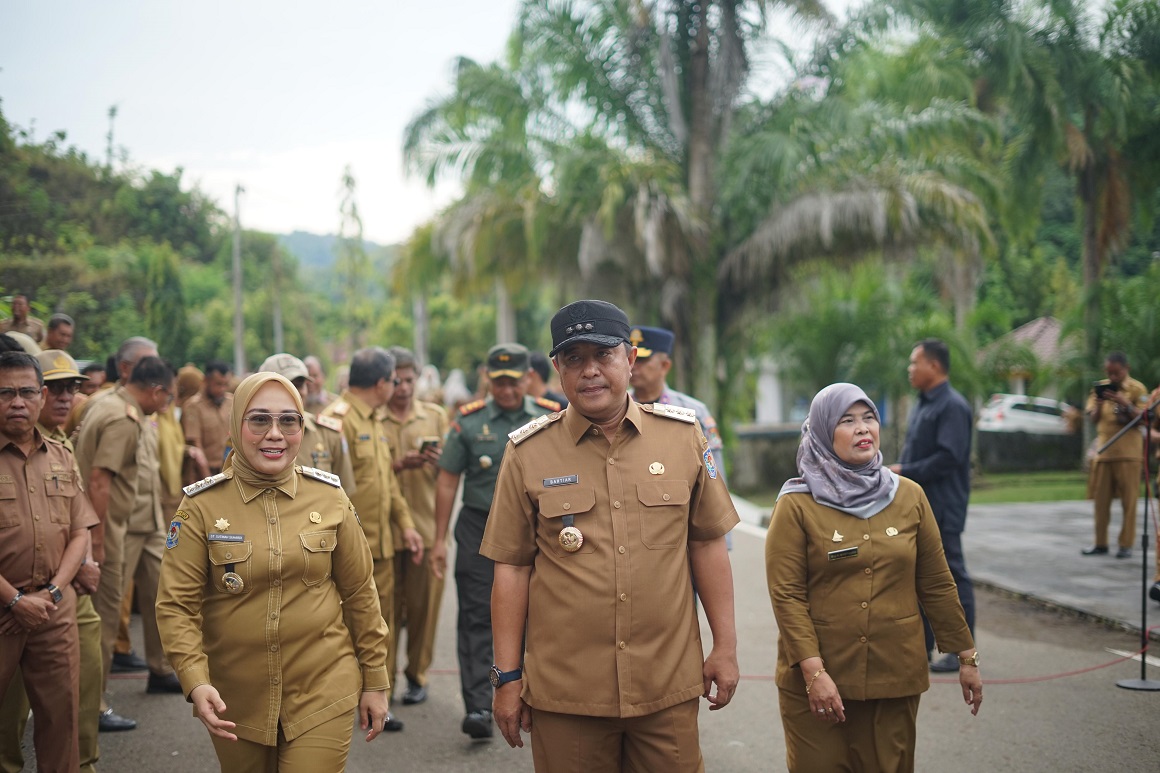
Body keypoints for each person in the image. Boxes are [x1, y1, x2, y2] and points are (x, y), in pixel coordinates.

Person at [482, 301, 738, 771]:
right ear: (558, 369)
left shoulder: (683, 437)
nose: (591, 371)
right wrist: (508, 676)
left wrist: (725, 646)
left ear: (630, 360)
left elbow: (706, 543)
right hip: (568, 696)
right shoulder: (527, 453)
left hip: (666, 684)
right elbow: (512, 568)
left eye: (603, 354)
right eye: (574, 359)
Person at [156, 372, 391, 771]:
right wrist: (195, 680)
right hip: (235, 698)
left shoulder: (330, 497)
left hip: (323, 686)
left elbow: (359, 593)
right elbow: (176, 606)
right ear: (236, 426)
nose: (275, 434)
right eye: (259, 420)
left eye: (289, 421)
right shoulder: (201, 506)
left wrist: (375, 679)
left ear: (303, 426)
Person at [766, 383, 982, 772]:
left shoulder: (910, 496)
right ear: (822, 432)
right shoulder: (796, 505)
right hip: (818, 679)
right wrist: (815, 674)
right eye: (847, 421)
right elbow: (787, 596)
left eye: (869, 418)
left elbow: (935, 582)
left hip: (894, 675)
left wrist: (966, 656)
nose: (863, 428)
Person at [430, 343, 559, 740]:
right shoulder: (468, 422)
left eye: (513, 381)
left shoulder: (550, 417)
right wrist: (439, 540)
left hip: (537, 529)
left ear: (528, 378)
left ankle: (538, 696)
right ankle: (478, 708)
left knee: (540, 615)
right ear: (488, 378)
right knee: (475, 616)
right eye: (498, 381)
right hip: (478, 528)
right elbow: (448, 480)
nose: (506, 389)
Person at [0, 350, 107, 773]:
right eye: (5, 393)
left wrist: (53, 592)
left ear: (40, 397)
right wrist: (13, 601)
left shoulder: (60, 456)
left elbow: (80, 529)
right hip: (5, 611)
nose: (18, 402)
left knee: (61, 722)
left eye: (27, 392)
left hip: (52, 608)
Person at [74, 347, 183, 713]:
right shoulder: (119, 415)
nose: (169, 403)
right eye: (168, 395)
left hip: (145, 521)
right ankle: (93, 704)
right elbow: (99, 481)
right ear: (155, 390)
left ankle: (161, 668)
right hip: (114, 528)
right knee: (104, 614)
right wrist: (98, 543)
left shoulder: (133, 411)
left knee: (162, 596)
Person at [319, 347, 423, 733]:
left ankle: (379, 697)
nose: (396, 387)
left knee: (382, 625)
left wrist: (406, 524)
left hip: (379, 546)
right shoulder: (335, 422)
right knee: (345, 627)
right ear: (381, 384)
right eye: (393, 380)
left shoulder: (374, 419)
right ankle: (343, 700)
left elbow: (386, 483)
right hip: (346, 549)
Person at [887, 339, 974, 673]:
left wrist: (904, 471)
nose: (910, 369)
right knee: (914, 572)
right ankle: (919, 649)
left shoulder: (952, 405)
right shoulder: (923, 403)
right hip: (919, 505)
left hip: (944, 504)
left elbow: (949, 457)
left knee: (951, 573)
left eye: (914, 363)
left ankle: (960, 650)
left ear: (934, 366)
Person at [380, 347, 450, 706]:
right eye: (396, 380)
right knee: (385, 612)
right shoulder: (374, 420)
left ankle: (417, 676)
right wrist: (396, 465)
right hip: (383, 534)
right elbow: (364, 477)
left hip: (424, 528)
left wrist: (440, 463)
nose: (403, 387)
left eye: (409, 379)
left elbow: (450, 478)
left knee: (424, 610)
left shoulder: (436, 417)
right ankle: (383, 682)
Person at [628, 325, 726, 479]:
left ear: (664, 366)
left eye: (641, 360)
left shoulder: (694, 411)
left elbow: (714, 470)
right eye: (630, 359)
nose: (633, 366)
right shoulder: (616, 408)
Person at [1083, 352, 1149, 560]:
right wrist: (1100, 404)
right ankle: (1100, 543)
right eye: (1109, 373)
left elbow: (1145, 419)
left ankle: (1125, 544)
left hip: (1129, 454)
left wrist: (1124, 401)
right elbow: (1093, 419)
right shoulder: (1099, 388)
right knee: (1100, 502)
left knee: (1129, 503)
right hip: (1104, 453)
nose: (1112, 377)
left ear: (1126, 369)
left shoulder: (1137, 389)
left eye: (1116, 373)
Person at [259, 353, 356, 490]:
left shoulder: (328, 433)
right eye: (287, 384)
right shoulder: (248, 435)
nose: (295, 392)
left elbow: (344, 491)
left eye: (299, 385)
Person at [182, 360, 233, 475]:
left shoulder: (231, 402)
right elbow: (196, 444)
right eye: (218, 384)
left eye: (226, 384)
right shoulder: (193, 407)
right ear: (206, 381)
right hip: (205, 471)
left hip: (230, 468)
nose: (222, 389)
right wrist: (209, 481)